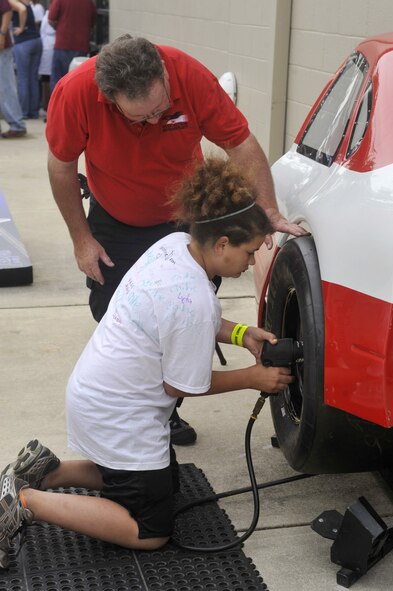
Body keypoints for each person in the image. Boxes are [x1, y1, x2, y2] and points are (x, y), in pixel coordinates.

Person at [0, 157, 294, 569]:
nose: (249, 263)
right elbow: (183, 385)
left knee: (164, 484)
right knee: (150, 530)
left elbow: (186, 319)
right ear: (223, 243)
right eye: (248, 253)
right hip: (119, 414)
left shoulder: (173, 248)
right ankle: (25, 501)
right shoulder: (193, 297)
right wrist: (252, 378)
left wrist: (244, 335)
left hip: (98, 392)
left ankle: (46, 470)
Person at [46, 34, 307, 445]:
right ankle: (143, 400)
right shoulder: (75, 92)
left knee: (185, 314)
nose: (152, 123)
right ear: (109, 97)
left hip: (183, 217)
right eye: (139, 118)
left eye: (160, 111)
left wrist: (269, 211)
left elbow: (240, 143)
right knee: (114, 309)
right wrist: (82, 240)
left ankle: (164, 413)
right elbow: (61, 167)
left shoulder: (188, 76)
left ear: (164, 75)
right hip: (116, 215)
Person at [48, 0, 96, 92]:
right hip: (81, 46)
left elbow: (51, 19)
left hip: (63, 44)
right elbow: (93, 21)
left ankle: (58, 105)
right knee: (77, 81)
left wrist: (58, 27)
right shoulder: (89, 2)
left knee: (57, 80)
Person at [9, 0, 42, 119]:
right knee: (33, 78)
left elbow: (21, 10)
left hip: (23, 42)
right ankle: (33, 111)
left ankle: (23, 112)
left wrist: (21, 28)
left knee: (23, 78)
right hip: (36, 41)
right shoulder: (28, 2)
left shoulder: (14, 3)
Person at [0, 0, 27, 138]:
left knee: (6, 86)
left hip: (1, 47)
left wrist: (2, 34)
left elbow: (8, 10)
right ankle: (17, 124)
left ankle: (17, 124)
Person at [38, 6, 55, 116]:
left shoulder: (49, 15)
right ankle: (46, 105)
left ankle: (48, 105)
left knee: (48, 77)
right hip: (47, 45)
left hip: (50, 46)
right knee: (45, 77)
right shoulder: (47, 12)